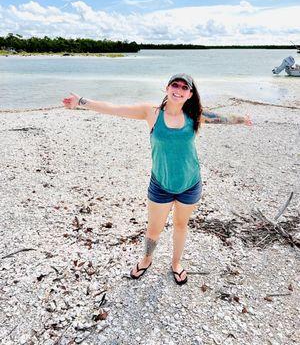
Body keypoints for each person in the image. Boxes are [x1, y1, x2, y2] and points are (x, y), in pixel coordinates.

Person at [62, 73, 252, 285]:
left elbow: (221, 118)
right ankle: (146, 259)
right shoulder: (151, 113)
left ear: (190, 94)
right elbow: (114, 108)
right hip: (161, 184)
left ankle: (176, 263)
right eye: (175, 85)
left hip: (190, 184)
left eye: (184, 87)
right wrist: (81, 101)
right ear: (167, 87)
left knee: (181, 225)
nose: (178, 90)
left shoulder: (195, 115)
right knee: (154, 229)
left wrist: (242, 119)